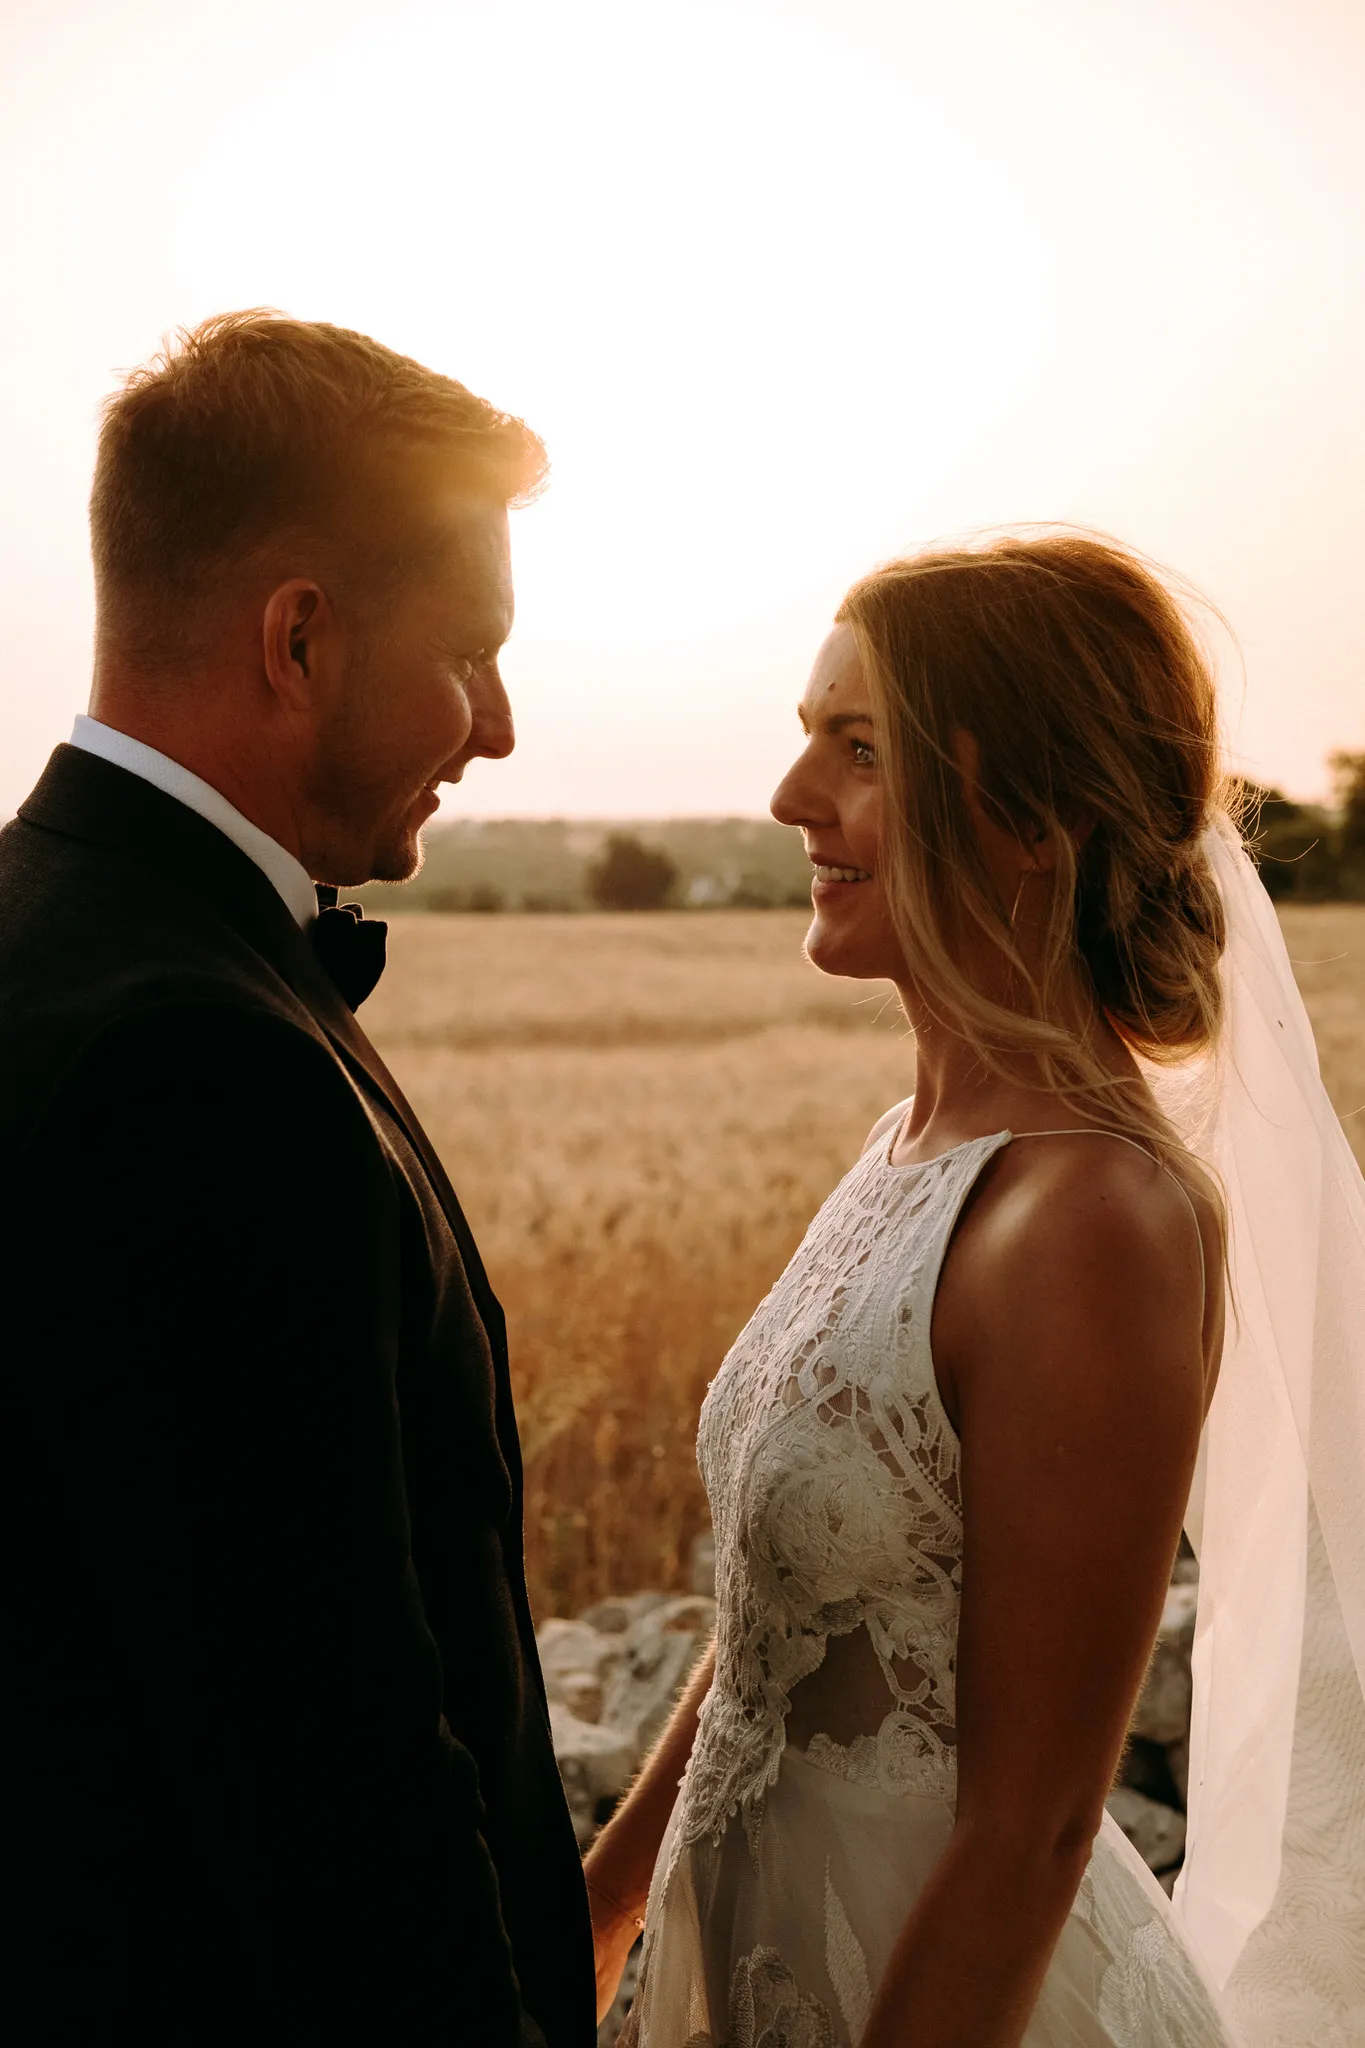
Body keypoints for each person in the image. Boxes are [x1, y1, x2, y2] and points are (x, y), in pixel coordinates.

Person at [586, 532, 1365, 2045]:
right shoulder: (911, 1148)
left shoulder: (1095, 1221)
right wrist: (603, 1910)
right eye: (808, 739)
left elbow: (1032, 1835)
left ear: (1028, 821)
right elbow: (775, 1634)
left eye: (857, 749)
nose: (791, 798)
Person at [0, 311, 596, 2043]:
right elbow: (332, 1784)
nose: (495, 727)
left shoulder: (56, 935)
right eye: (472, 653)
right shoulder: (196, 1066)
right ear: (302, 638)